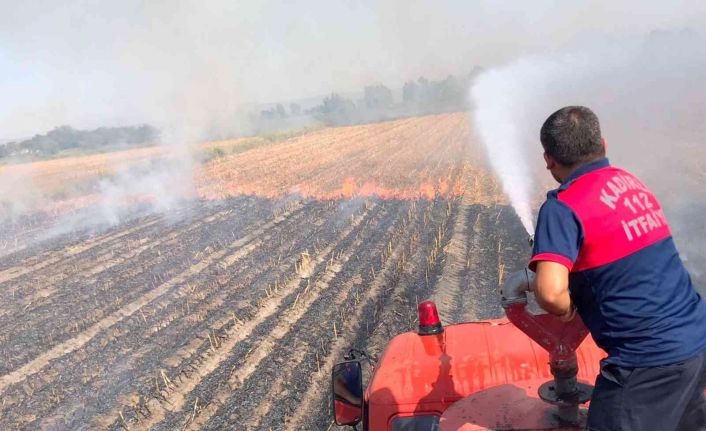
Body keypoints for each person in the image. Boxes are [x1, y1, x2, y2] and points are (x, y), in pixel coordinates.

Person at [528, 106, 706, 430]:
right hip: (696, 338)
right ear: (604, 144)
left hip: (647, 363)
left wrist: (568, 310)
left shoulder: (561, 208)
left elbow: (550, 293)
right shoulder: (629, 182)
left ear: (549, 160)